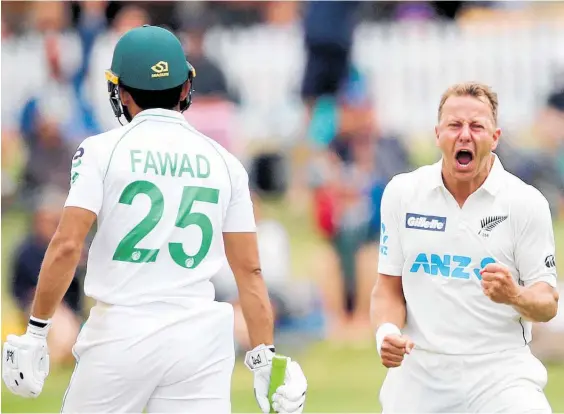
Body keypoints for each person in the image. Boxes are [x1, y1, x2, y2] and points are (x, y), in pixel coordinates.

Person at [2, 25, 307, 414]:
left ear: (122, 93)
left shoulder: (101, 150)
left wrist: (36, 331)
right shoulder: (224, 161)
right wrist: (264, 357)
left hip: (121, 333)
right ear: (185, 88)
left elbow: (66, 244)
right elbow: (249, 270)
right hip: (200, 338)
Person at [370, 82, 559, 413]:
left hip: (501, 374)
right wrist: (386, 332)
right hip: (420, 376)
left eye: (477, 126)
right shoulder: (403, 193)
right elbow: (387, 287)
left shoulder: (525, 202)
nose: (465, 135)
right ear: (437, 133)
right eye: (455, 125)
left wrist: (514, 294)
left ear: (495, 137)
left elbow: (547, 303)